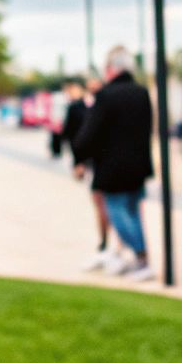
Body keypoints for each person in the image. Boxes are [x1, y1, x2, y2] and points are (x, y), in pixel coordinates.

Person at [72, 46, 156, 282]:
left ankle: (140, 255)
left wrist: (80, 155)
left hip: (113, 166)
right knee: (133, 211)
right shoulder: (141, 92)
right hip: (138, 164)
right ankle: (140, 258)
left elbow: (90, 133)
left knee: (117, 211)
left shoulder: (107, 95)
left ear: (111, 69)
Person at [62, 78, 115, 271]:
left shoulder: (108, 105)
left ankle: (111, 244)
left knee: (108, 203)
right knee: (100, 202)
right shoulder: (76, 108)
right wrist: (78, 162)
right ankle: (104, 242)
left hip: (107, 160)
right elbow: (70, 134)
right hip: (90, 160)